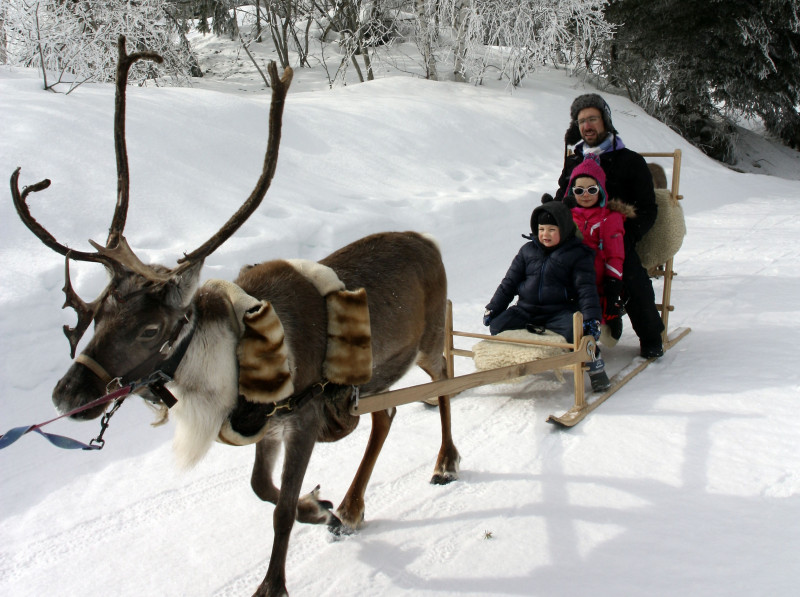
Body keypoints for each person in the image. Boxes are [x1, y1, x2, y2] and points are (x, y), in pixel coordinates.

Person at [553, 93, 665, 358]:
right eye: (581, 121)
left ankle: (650, 335)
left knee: (631, 276)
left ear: (605, 121)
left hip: (613, 235)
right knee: (539, 265)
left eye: (592, 118)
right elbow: (561, 197)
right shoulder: (574, 160)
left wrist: (629, 235)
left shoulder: (631, 161)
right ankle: (546, 328)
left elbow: (648, 208)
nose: (587, 126)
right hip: (577, 234)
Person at [483, 201, 610, 392]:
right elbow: (509, 283)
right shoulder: (527, 251)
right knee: (498, 325)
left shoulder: (578, 254)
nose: (545, 234)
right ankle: (524, 359)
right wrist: (494, 307)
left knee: (576, 334)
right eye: (541, 229)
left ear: (564, 229)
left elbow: (586, 290)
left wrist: (591, 320)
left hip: (560, 312)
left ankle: (594, 363)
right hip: (526, 310)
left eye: (552, 229)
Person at [565, 156, 634, 343]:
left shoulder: (610, 218)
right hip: (568, 276)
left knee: (593, 309)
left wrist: (613, 288)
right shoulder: (566, 215)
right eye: (579, 190)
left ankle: (608, 319)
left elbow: (615, 255)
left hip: (598, 281)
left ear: (601, 190)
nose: (585, 195)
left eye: (591, 189)